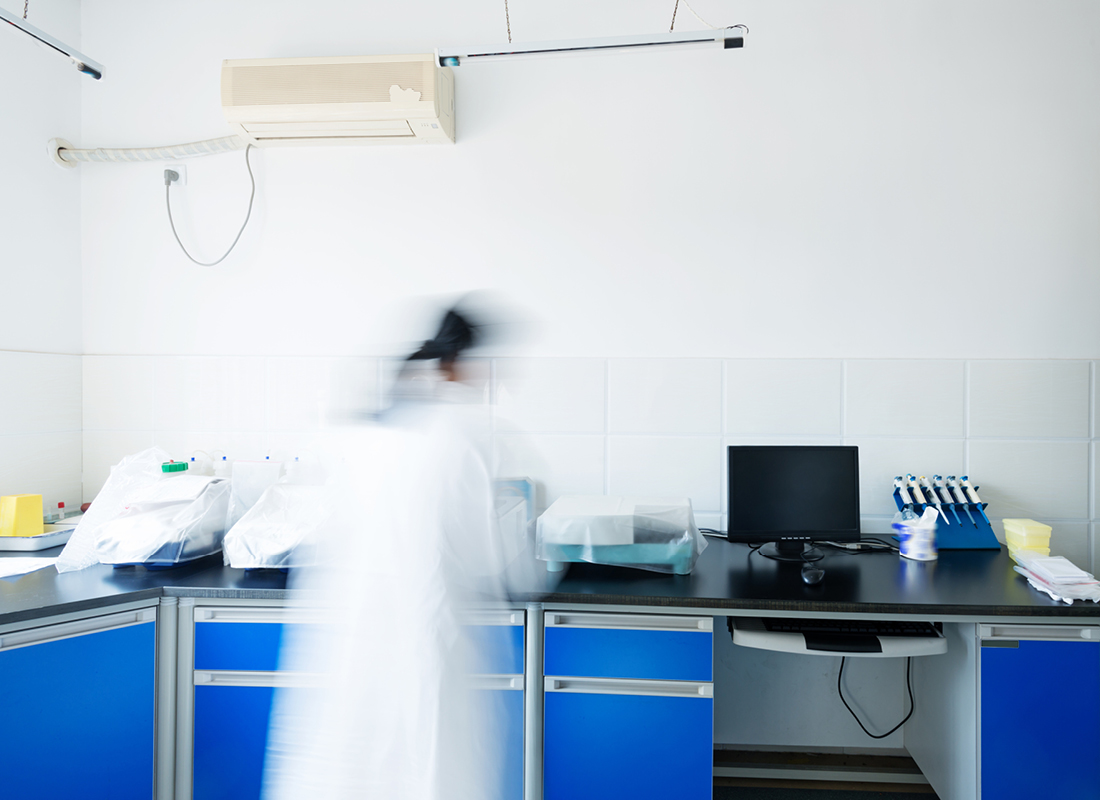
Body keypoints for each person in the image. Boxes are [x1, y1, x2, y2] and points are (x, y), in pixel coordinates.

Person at [263, 303, 516, 800]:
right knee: (426, 767)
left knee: (346, 767)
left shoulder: (363, 432)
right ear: (459, 365)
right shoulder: (457, 438)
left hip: (349, 642)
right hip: (421, 642)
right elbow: (489, 560)